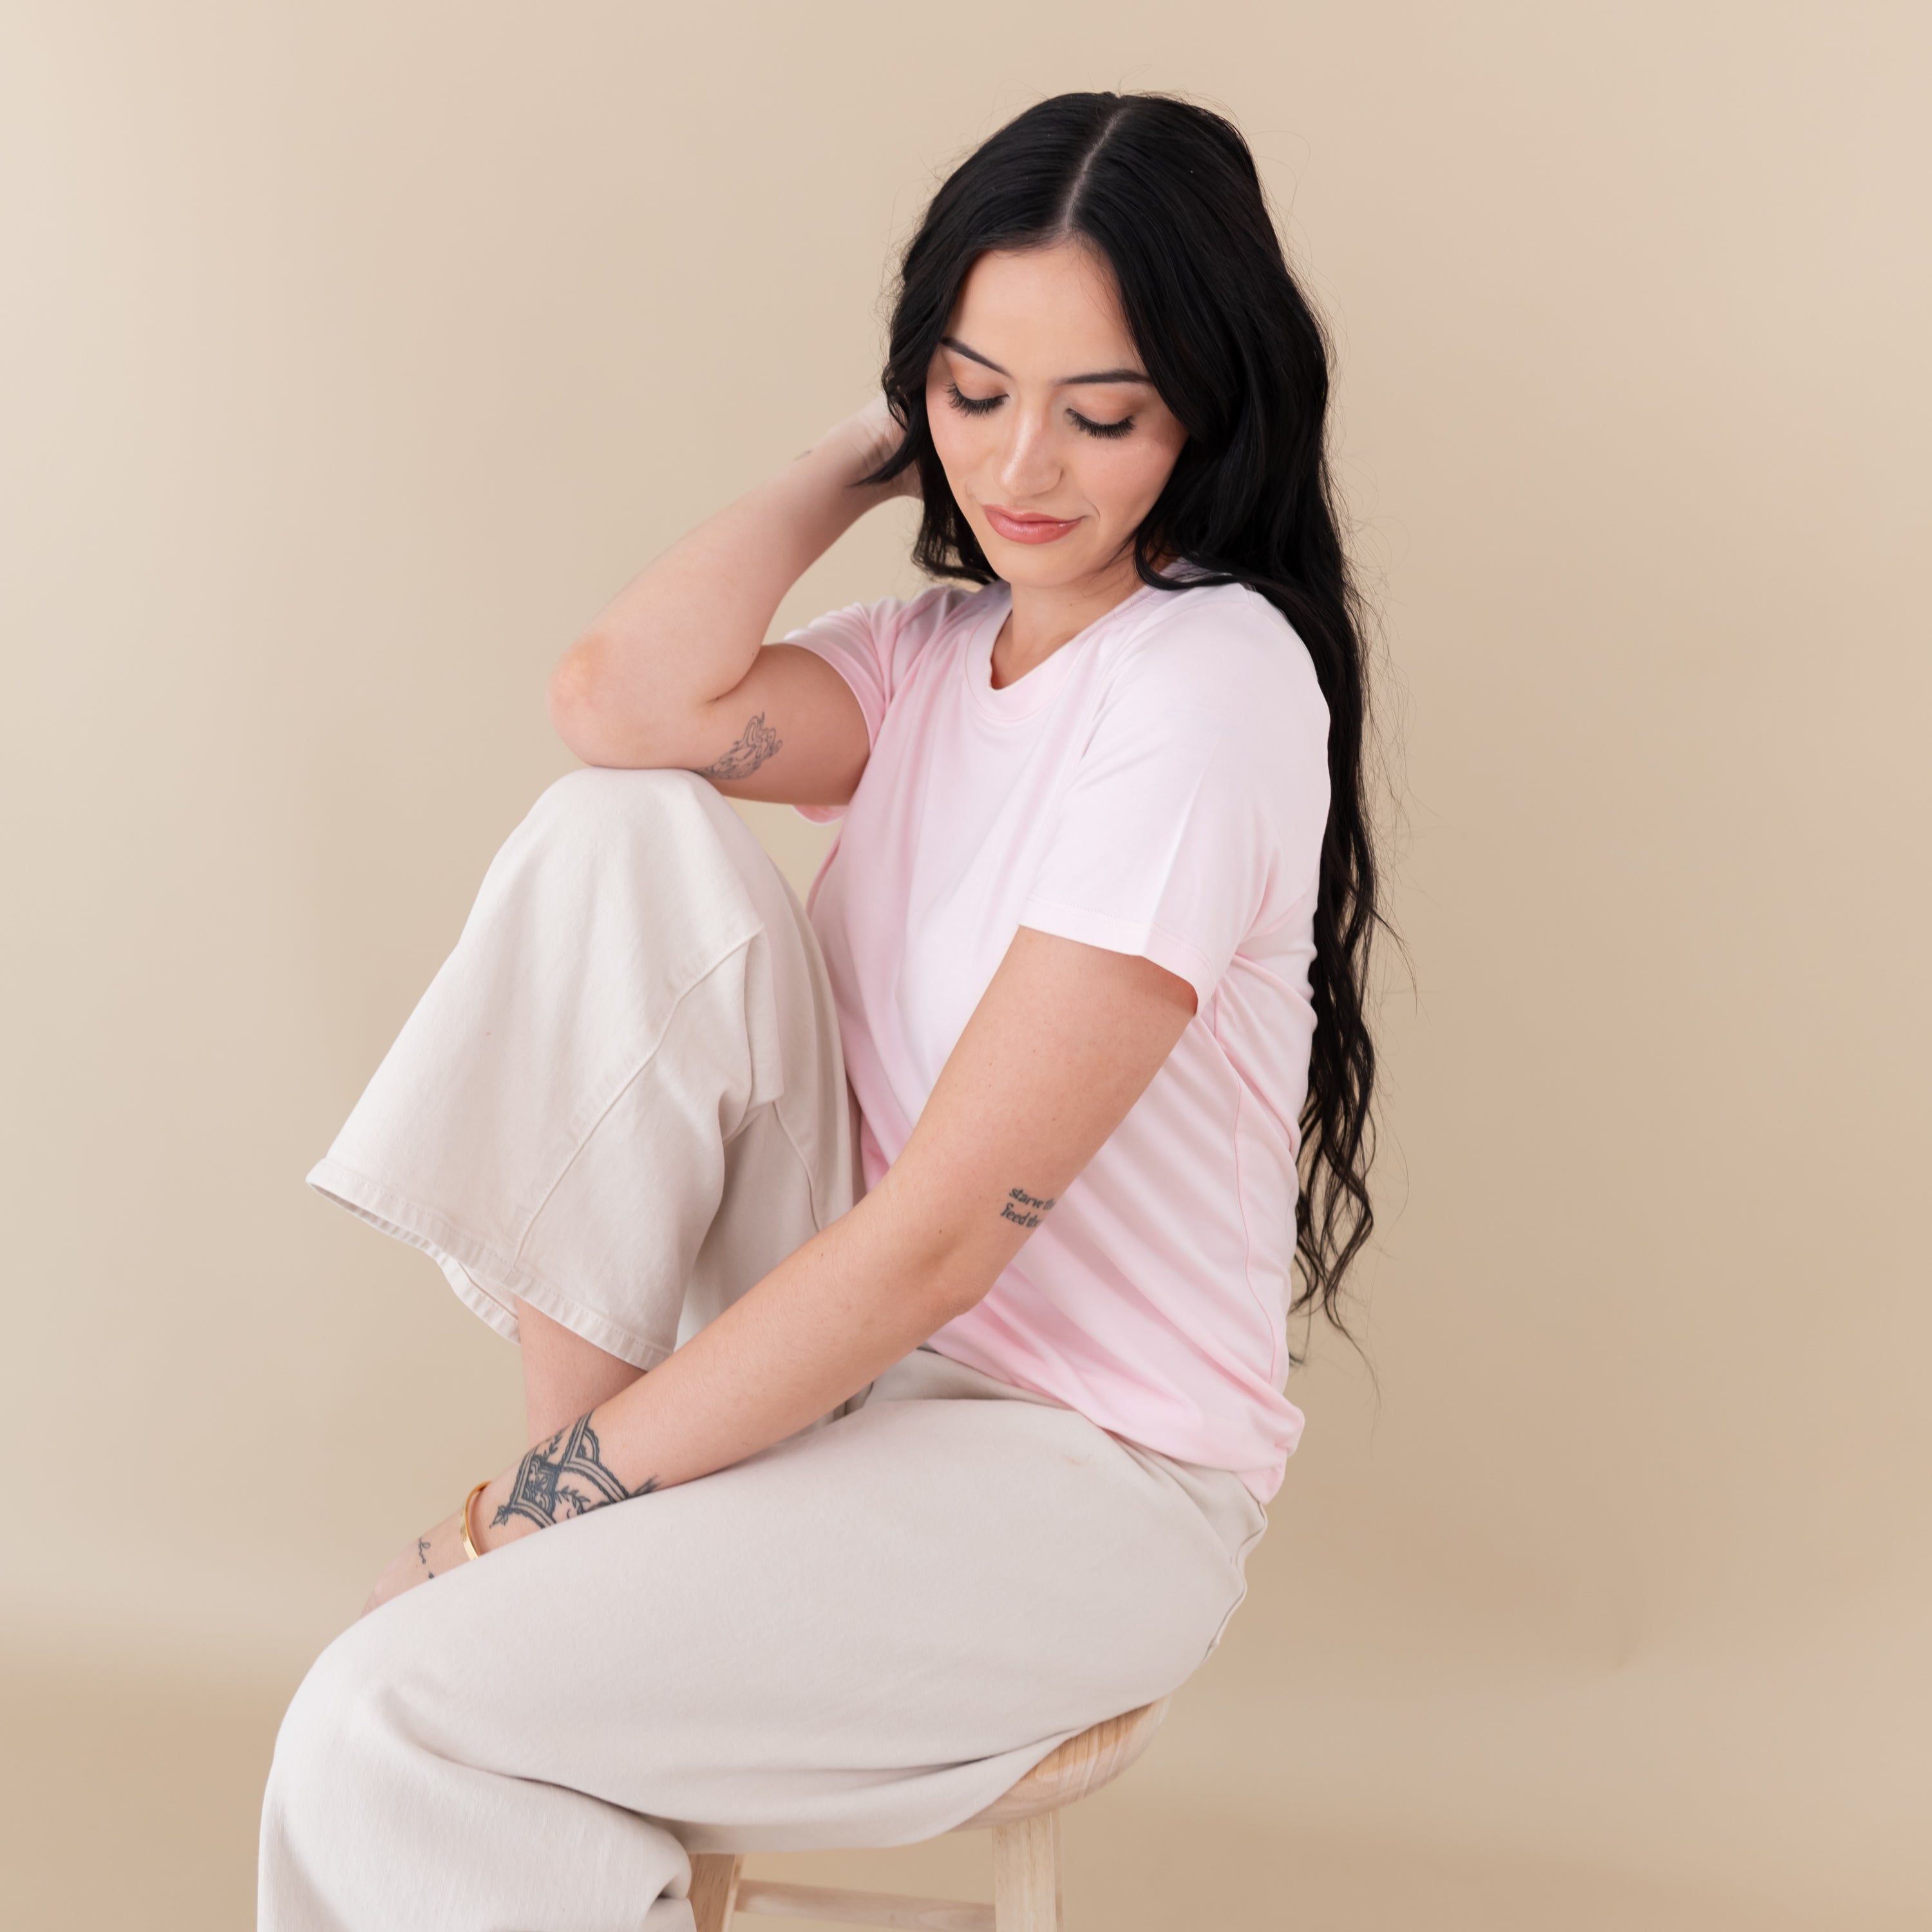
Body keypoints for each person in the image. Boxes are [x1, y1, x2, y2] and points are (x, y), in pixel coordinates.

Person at [258, 90, 1380, 1932]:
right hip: (839, 1372)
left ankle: (588, 1522)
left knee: (389, 1714)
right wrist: (855, 455)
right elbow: (616, 701)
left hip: (1072, 1479)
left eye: (1101, 414)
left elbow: (943, 1241)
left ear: (1204, 410)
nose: (1025, 466)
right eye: (971, 392)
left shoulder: (1208, 685)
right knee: (617, 835)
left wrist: (511, 1524)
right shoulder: (936, 656)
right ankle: (610, 1501)